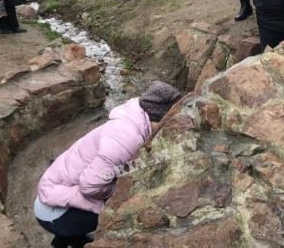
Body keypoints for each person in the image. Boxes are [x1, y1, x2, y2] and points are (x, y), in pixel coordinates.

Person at [35, 81, 183, 248]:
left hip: (56, 192)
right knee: (122, 216)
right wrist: (121, 191)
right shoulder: (126, 139)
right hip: (53, 211)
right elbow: (89, 186)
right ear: (159, 117)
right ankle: (67, 235)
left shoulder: (136, 115)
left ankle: (66, 241)